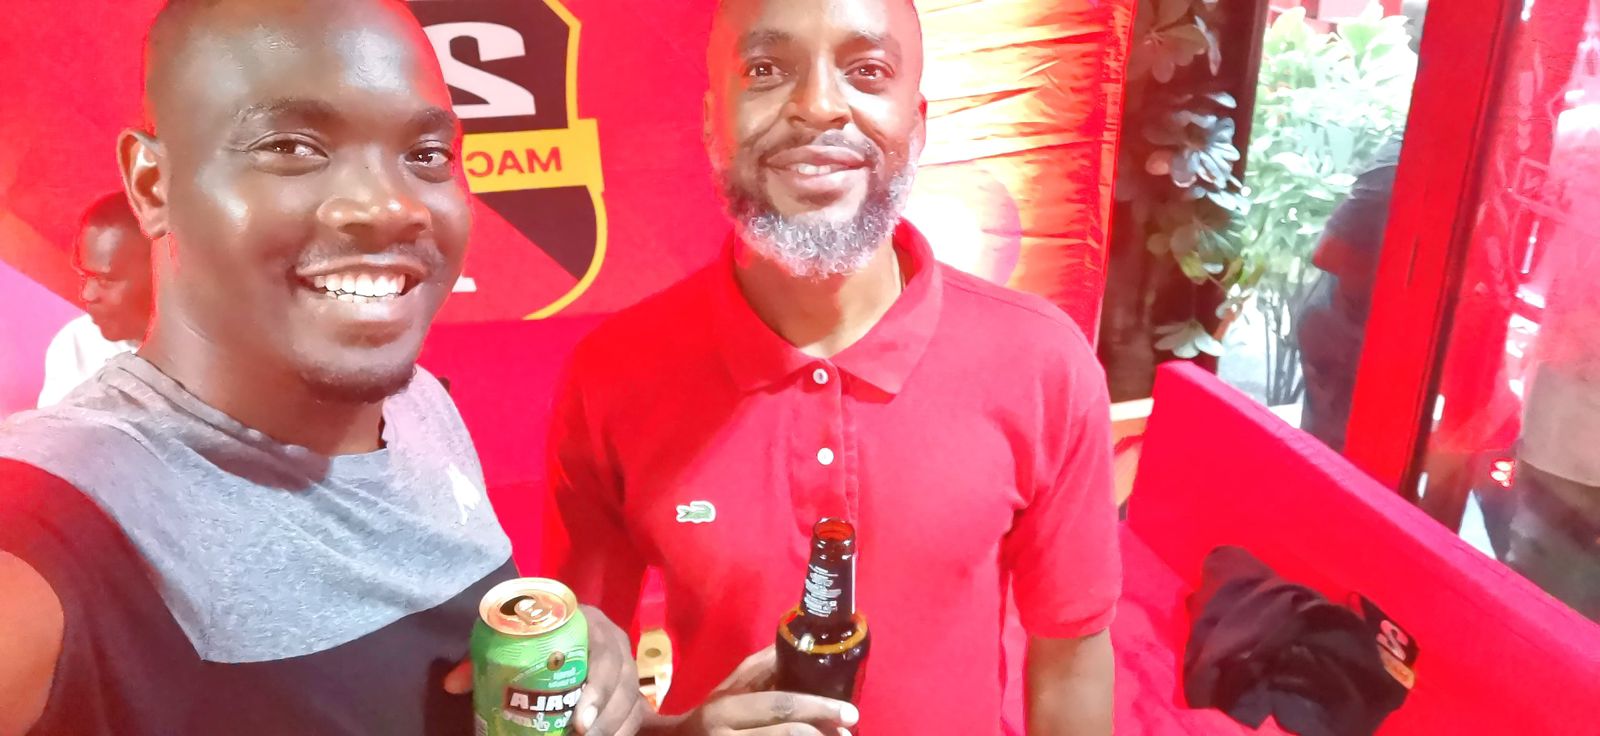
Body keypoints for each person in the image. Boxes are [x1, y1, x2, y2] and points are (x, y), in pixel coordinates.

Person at [0, 1, 644, 733]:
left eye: (426, 155)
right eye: (292, 146)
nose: (391, 206)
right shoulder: (69, 513)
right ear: (152, 185)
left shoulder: (417, 404)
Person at [549, 0, 1121, 733]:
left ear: (917, 125)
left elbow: (1072, 657)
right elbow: (581, 686)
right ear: (712, 122)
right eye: (765, 70)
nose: (819, 105)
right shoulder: (613, 375)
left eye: (867, 70)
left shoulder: (1043, 363)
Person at [37, 193, 153, 408]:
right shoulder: (76, 344)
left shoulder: (212, 355)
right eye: (85, 276)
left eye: (105, 280)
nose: (87, 294)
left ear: (159, 274)